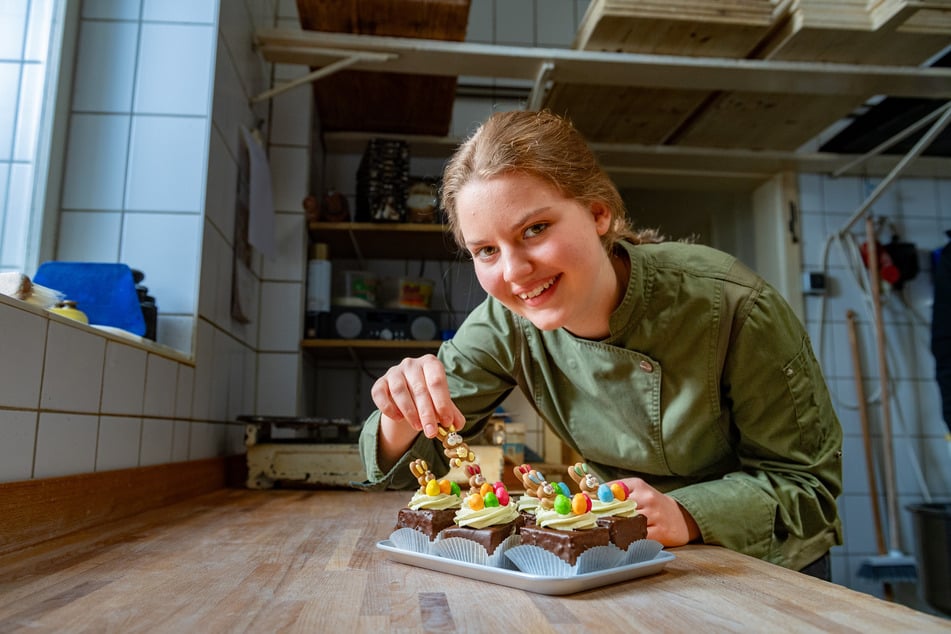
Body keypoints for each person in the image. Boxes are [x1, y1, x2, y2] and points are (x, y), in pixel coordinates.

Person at [357, 109, 842, 578]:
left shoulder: (733, 304)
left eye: (535, 229)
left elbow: (808, 486)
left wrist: (687, 513)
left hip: (763, 567)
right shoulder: (504, 323)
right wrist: (402, 409)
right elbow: (402, 470)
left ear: (598, 213)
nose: (514, 271)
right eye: (486, 250)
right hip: (624, 559)